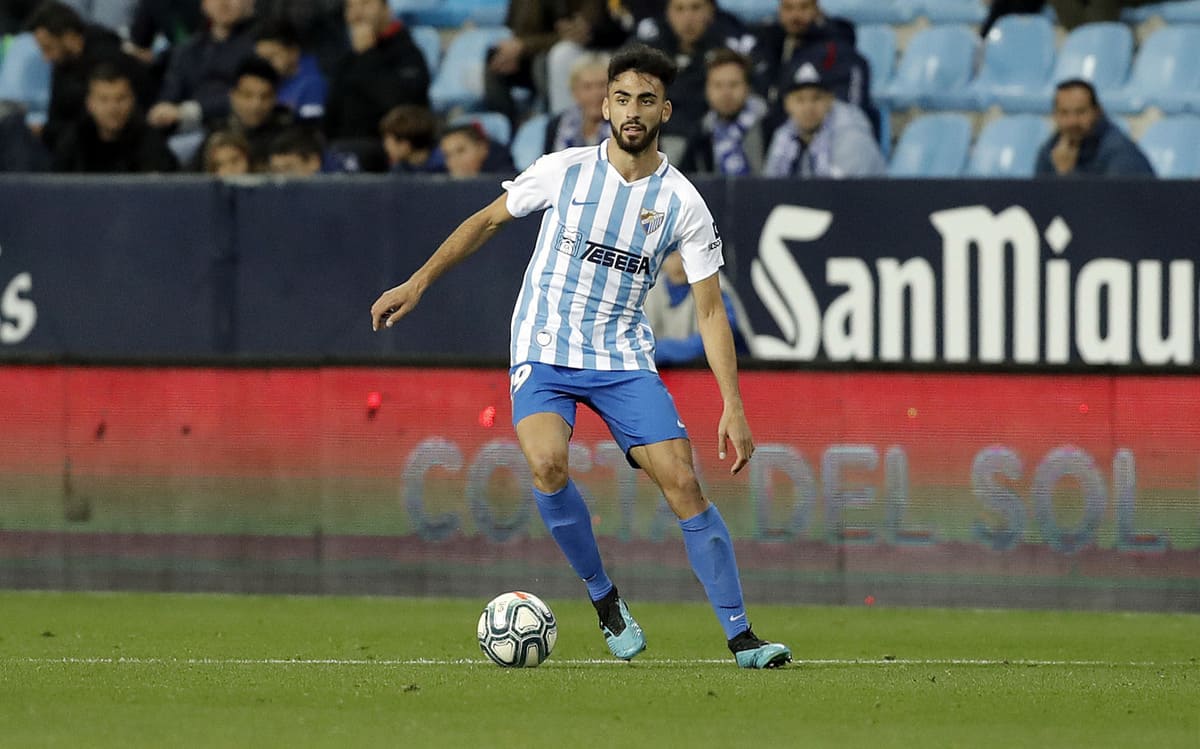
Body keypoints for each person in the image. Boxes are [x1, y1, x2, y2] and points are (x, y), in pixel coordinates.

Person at [370, 44, 791, 670]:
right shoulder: (563, 170)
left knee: (682, 482)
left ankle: (742, 637)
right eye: (622, 98)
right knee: (546, 466)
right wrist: (419, 281)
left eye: (646, 100)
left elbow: (709, 310)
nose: (632, 110)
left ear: (665, 111)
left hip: (622, 354)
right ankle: (605, 600)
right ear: (604, 105)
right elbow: (486, 222)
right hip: (544, 344)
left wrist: (733, 402)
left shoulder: (684, 204)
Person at [26, 0, 151, 150]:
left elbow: (101, 125)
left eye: (49, 48)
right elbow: (56, 119)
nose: (46, 57)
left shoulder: (111, 59)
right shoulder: (62, 65)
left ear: (69, 37)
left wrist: (46, 132)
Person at [323, 0, 429, 153]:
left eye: (365, 4)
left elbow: (401, 105)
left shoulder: (408, 53)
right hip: (343, 154)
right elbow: (332, 114)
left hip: (391, 155)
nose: (357, 14)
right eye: (351, 6)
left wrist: (367, 55)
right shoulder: (347, 59)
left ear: (387, 10)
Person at [639, 0, 755, 140]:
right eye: (679, 9)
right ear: (667, 13)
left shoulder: (730, 45)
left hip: (712, 137)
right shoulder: (649, 47)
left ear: (711, 11)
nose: (688, 18)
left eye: (696, 8)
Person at [148, 0, 259, 135]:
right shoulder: (187, 50)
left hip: (233, 126)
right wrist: (162, 111)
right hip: (184, 127)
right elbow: (170, 92)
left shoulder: (258, 46)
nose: (223, 3)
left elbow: (253, 94)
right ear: (203, 4)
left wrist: (195, 110)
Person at [763, 62, 884, 177]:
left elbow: (843, 194)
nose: (808, 108)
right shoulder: (784, 135)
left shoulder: (852, 135)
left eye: (816, 98)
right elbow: (770, 187)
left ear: (830, 100)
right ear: (787, 104)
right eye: (800, 99)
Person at [53, 62, 178, 172]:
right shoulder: (74, 140)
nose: (112, 108)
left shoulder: (150, 141)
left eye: (120, 99)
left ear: (132, 101)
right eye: (104, 99)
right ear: (89, 104)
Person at [644, 250, 752, 365]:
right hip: (677, 374)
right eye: (671, 255)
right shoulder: (652, 289)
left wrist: (662, 350)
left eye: (683, 254)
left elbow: (719, 337)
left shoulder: (711, 280)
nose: (678, 262)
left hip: (737, 369)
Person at [1034, 79, 1154, 177]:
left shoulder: (1120, 152)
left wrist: (1067, 175)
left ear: (1097, 111)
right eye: (1064, 113)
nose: (1072, 121)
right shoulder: (1052, 149)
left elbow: (1115, 202)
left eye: (1080, 112)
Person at [678, 48, 769, 175]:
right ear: (707, 90)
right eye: (718, 85)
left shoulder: (768, 125)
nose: (726, 93)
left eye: (733, 84)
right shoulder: (701, 133)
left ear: (747, 87)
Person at [193, 55, 292, 170]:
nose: (256, 105)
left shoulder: (288, 138)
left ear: (275, 98)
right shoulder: (216, 135)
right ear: (233, 96)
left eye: (265, 97)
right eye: (247, 95)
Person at [254, 17, 327, 122]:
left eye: (271, 57)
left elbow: (311, 129)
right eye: (261, 59)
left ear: (293, 52)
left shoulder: (314, 84)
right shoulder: (270, 80)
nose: (265, 64)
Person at [542, 52, 610, 155]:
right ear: (574, 92)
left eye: (602, 85)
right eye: (587, 87)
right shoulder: (556, 125)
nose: (596, 93)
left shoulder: (626, 125)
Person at [379, 104, 442, 174]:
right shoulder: (398, 169)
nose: (385, 147)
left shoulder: (445, 165)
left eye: (388, 141)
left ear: (405, 144)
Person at [439, 123, 514, 178]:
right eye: (447, 155)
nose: (454, 161)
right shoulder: (439, 180)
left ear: (482, 148)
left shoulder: (509, 182)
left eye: (460, 151)